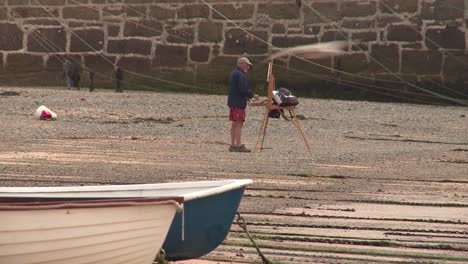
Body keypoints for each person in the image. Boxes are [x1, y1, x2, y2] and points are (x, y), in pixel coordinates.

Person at [228, 57, 259, 152]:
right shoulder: (240, 74)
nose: (249, 67)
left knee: (234, 123)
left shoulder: (234, 73)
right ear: (242, 64)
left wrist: (248, 97)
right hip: (238, 102)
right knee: (239, 123)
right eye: (247, 64)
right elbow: (243, 89)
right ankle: (238, 145)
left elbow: (238, 89)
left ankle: (233, 144)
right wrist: (253, 96)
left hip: (233, 101)